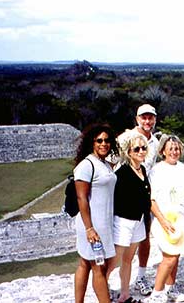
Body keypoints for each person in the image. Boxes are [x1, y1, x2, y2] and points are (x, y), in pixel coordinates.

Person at [111, 103, 159, 297]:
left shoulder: (155, 142)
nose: (147, 121)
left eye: (151, 118)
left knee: (144, 238)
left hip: (144, 197)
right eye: (143, 118)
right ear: (137, 119)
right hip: (125, 201)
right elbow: (110, 160)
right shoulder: (125, 138)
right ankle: (104, 281)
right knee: (119, 249)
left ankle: (140, 276)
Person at [147, 135, 184, 302]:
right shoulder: (156, 170)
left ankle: (170, 289)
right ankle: (157, 293)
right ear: (163, 150)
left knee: (176, 255)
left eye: (176, 148)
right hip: (164, 220)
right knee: (169, 257)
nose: (174, 152)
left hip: (182, 221)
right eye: (170, 148)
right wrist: (162, 221)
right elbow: (151, 200)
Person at [73, 123, 118, 303]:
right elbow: (81, 198)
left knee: (85, 263)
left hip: (103, 223)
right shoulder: (86, 165)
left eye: (107, 140)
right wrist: (89, 228)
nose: (103, 144)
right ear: (92, 142)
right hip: (92, 225)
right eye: (99, 140)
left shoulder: (105, 164)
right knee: (99, 267)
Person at [106, 131, 151, 303]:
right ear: (129, 152)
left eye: (143, 148)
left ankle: (124, 294)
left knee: (128, 259)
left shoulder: (143, 170)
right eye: (136, 149)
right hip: (123, 221)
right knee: (114, 261)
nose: (141, 151)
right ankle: (102, 290)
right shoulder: (122, 173)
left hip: (138, 221)